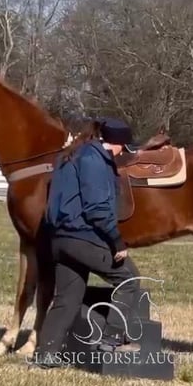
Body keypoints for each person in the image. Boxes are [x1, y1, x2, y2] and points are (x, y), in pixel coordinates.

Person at [31, 117, 144, 369]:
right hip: (81, 237)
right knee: (129, 280)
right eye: (122, 149)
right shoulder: (94, 161)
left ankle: (45, 355)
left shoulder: (69, 155)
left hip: (58, 240)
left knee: (68, 296)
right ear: (116, 145)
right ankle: (113, 338)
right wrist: (116, 240)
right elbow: (96, 208)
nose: (121, 154)